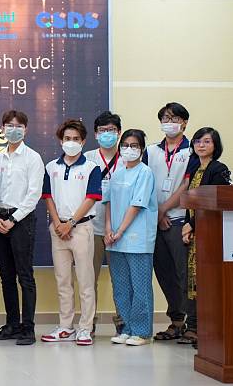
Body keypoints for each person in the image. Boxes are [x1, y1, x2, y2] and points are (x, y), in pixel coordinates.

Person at [41, 119, 101, 346]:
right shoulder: (51, 167)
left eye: (76, 139)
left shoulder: (91, 168)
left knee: (86, 281)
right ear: (61, 140)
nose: (71, 142)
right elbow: (47, 197)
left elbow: (91, 198)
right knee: (63, 281)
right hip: (58, 229)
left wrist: (71, 223)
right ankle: (66, 326)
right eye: (67, 138)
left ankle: (85, 328)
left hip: (81, 228)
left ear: (83, 141)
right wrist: (58, 223)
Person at [0, 110, 44, 346]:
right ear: (2, 128)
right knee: (6, 275)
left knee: (25, 275)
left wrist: (13, 219)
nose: (13, 129)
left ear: (25, 130)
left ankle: (28, 328)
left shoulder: (33, 158)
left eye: (18, 126)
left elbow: (34, 195)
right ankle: (12, 325)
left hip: (22, 220)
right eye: (9, 125)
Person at [144, 102, 197, 341]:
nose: (170, 122)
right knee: (164, 274)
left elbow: (186, 185)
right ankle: (176, 321)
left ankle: (194, 324)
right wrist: (156, 214)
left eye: (175, 118)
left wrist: (163, 210)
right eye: (165, 118)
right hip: (155, 221)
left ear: (184, 123)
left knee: (185, 274)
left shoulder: (191, 151)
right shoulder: (151, 151)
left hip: (179, 220)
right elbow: (144, 182)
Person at [104, 129, 158, 346]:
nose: (129, 149)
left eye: (134, 145)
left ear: (142, 149)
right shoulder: (117, 173)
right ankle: (126, 328)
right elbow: (108, 202)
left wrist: (120, 231)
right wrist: (108, 229)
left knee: (140, 286)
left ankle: (142, 331)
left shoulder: (145, 173)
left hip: (137, 239)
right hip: (115, 240)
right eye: (125, 145)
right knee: (121, 287)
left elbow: (137, 205)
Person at [179, 128, 231, 348]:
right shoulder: (194, 168)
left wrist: (192, 224)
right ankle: (194, 327)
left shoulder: (219, 169)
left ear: (215, 145)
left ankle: (209, 331)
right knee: (193, 280)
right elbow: (190, 202)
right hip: (194, 234)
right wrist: (187, 225)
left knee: (208, 281)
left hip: (210, 233)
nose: (201, 145)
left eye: (207, 141)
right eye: (198, 141)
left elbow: (215, 202)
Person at [84, 111, 125, 335]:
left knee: (121, 279)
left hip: (120, 230)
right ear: (95, 134)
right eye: (102, 130)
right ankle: (88, 323)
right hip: (91, 227)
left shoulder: (128, 157)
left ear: (119, 133)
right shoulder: (87, 158)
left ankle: (123, 321)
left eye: (111, 130)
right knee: (89, 279)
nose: (107, 134)